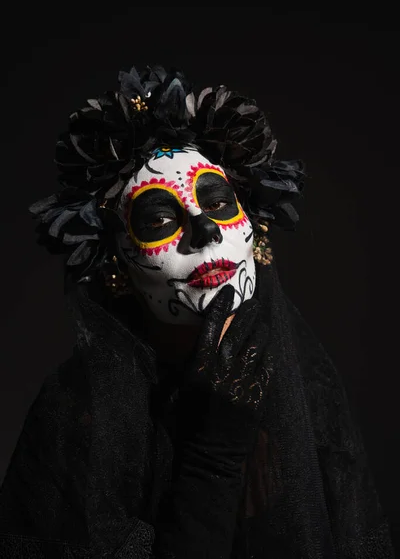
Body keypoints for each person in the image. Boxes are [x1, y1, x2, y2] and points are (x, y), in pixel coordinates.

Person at [0, 64, 394, 558]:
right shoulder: (77, 417)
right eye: (161, 217)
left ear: (256, 233)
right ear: (117, 259)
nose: (205, 232)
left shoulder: (304, 385)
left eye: (220, 204)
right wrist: (214, 456)